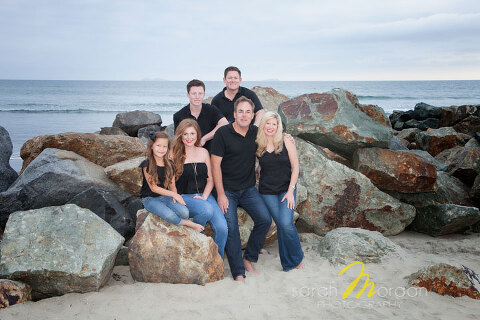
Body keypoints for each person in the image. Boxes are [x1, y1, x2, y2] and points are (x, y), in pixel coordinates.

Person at [211, 96, 272, 282]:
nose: (244, 115)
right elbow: (215, 166)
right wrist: (220, 194)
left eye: (248, 112)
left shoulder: (256, 132)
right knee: (232, 228)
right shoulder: (223, 134)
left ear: (253, 115)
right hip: (227, 189)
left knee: (264, 219)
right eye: (240, 112)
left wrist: (287, 138)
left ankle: (249, 258)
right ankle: (238, 272)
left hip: (248, 188)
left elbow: (272, 142)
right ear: (234, 114)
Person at [171, 119, 228, 259]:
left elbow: (210, 180)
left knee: (222, 228)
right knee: (206, 210)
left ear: (197, 135)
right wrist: (176, 196)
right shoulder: (173, 154)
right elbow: (170, 182)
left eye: (192, 133)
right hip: (183, 197)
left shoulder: (203, 152)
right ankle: (198, 244)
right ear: (180, 136)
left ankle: (217, 260)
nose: (189, 137)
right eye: (185, 134)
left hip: (204, 195)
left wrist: (204, 197)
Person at [256, 111, 304, 271]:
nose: (270, 127)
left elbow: (296, 168)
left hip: (286, 189)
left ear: (278, 126)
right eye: (267, 123)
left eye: (274, 124)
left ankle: (297, 258)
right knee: (282, 225)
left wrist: (291, 191)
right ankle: (288, 263)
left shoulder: (286, 141)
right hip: (266, 192)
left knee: (285, 223)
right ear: (263, 125)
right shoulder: (258, 144)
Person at [140, 131, 204, 232]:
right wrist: (175, 195)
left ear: (168, 148)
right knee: (170, 215)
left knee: (184, 213)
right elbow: (153, 187)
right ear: (151, 146)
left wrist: (175, 196)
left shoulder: (170, 164)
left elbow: (172, 185)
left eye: (164, 146)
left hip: (165, 196)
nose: (161, 149)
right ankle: (187, 223)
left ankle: (182, 219)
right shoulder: (147, 164)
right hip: (150, 198)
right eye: (158, 145)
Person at [174, 79, 228, 151]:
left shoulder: (211, 110)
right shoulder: (179, 115)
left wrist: (204, 139)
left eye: (200, 93)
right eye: (194, 93)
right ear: (188, 95)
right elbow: (178, 141)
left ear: (204, 94)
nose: (197, 97)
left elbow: (224, 123)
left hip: (210, 153)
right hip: (188, 154)